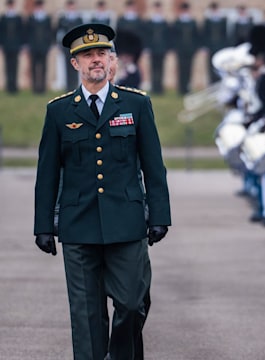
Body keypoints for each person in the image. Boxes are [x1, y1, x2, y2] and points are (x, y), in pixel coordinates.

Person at [33, 23, 171, 359]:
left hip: (126, 222)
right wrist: (43, 225)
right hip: (78, 225)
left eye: (101, 54)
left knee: (132, 302)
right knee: (86, 314)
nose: (96, 60)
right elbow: (48, 173)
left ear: (112, 62)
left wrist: (160, 215)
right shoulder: (59, 111)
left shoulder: (135, 105)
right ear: (75, 64)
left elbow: (153, 166)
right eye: (87, 55)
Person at [25, 0, 53, 93]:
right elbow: (28, 33)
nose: (39, 8)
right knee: (34, 67)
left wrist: (49, 44)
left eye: (40, 6)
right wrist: (28, 45)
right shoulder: (31, 18)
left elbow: (50, 32)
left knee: (44, 67)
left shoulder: (47, 18)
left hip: (44, 46)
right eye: (38, 6)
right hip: (34, 47)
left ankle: (42, 88)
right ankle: (35, 88)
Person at [171, 2, 199, 94]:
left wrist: (195, 48)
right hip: (180, 49)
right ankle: (181, 88)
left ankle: (187, 87)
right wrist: (174, 47)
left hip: (190, 49)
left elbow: (196, 36)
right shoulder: (177, 22)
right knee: (181, 68)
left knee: (189, 68)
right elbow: (174, 36)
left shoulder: (192, 22)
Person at [57, 0, 83, 91]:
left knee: (75, 65)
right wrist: (59, 45)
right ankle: (68, 87)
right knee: (67, 66)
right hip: (66, 46)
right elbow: (59, 33)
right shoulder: (62, 19)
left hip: (76, 46)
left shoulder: (79, 19)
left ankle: (75, 85)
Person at [145, 1, 170, 94]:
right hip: (152, 49)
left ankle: (160, 88)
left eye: (159, 8)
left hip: (162, 49)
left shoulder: (164, 22)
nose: (158, 10)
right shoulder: (150, 22)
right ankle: (154, 87)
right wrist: (147, 48)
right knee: (153, 68)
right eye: (156, 8)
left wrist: (167, 48)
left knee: (161, 68)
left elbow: (168, 36)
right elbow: (147, 36)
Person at [0, 0, 23, 93]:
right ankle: (9, 86)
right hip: (7, 46)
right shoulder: (3, 18)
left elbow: (21, 32)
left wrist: (21, 44)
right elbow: (1, 33)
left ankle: (14, 86)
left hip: (16, 46)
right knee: (7, 66)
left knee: (15, 66)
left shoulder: (18, 18)